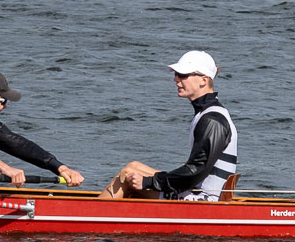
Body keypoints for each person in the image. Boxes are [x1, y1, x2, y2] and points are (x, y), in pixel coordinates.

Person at [102, 51, 239, 200]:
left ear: (203, 80)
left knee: (129, 179)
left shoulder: (213, 120)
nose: (175, 79)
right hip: (198, 192)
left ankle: (93, 215)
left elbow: (196, 171)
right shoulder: (206, 113)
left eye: (183, 75)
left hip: (205, 201)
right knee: (132, 168)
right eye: (176, 74)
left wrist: (149, 182)